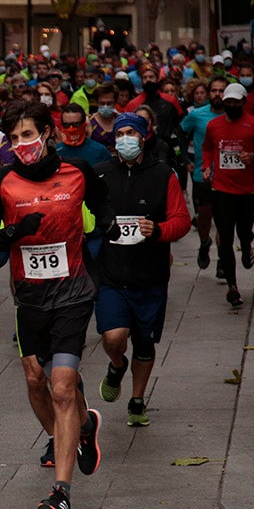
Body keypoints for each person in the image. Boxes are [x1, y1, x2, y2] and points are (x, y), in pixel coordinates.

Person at [0, 100, 114, 509]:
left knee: (62, 387)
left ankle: (62, 490)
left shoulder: (77, 171)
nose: (21, 145)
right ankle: (81, 428)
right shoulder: (3, 181)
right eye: (13, 138)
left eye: (28, 135)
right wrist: (13, 232)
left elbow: (104, 203)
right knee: (37, 381)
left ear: (47, 134)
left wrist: (106, 225)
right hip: (29, 301)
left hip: (72, 294)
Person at [94, 113, 190, 427]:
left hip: (150, 275)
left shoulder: (164, 174)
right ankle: (116, 365)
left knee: (145, 343)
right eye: (119, 133)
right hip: (111, 275)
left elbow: (181, 221)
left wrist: (159, 230)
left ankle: (136, 400)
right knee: (113, 336)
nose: (125, 139)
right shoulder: (101, 175)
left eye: (130, 133)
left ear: (143, 137)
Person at [202, 83, 254, 307]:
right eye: (228, 102)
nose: (232, 105)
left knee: (244, 230)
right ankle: (232, 286)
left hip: (247, 190)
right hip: (221, 189)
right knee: (225, 237)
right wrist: (207, 166)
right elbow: (207, 148)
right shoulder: (214, 125)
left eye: (236, 102)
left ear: (244, 102)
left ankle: (246, 246)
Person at [181, 77, 228, 272]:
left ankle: (222, 261)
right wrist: (185, 159)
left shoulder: (233, 115)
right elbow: (181, 133)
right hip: (203, 176)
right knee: (204, 218)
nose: (218, 94)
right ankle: (204, 242)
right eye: (214, 90)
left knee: (223, 221)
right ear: (209, 94)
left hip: (227, 178)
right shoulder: (197, 115)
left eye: (221, 90)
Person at [88, 83, 119, 152]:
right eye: (102, 103)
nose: (105, 107)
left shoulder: (121, 120)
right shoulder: (89, 122)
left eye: (109, 103)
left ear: (115, 102)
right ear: (97, 103)